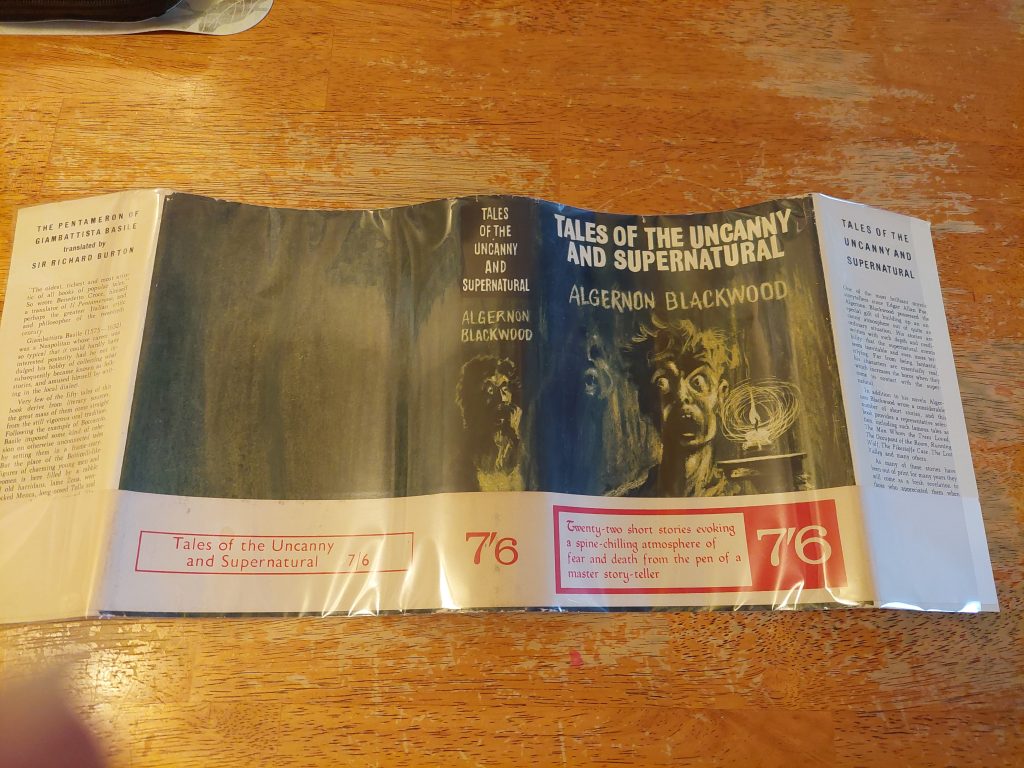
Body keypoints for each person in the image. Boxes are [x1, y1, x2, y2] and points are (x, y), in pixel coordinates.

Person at [614, 316, 741, 497]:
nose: (681, 397)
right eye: (663, 385)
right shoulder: (628, 500)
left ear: (721, 394)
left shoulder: (743, 495)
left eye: (698, 383)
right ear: (646, 403)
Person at [455, 355, 524, 491]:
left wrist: (515, 436)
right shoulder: (464, 463)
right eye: (490, 390)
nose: (502, 399)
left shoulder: (521, 453)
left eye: (504, 389)